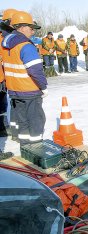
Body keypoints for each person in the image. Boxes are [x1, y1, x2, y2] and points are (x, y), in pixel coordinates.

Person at [1, 11, 47, 146]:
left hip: (15, 91)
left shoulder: (5, 44)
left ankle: (26, 146)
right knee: (36, 120)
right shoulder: (26, 46)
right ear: (21, 27)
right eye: (31, 28)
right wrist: (43, 86)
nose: (33, 32)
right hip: (30, 90)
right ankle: (37, 147)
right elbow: (36, 70)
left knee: (22, 121)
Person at [0, 8, 18, 139]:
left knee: (3, 104)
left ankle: (3, 127)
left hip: (4, 78)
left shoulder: (12, 37)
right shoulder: (2, 37)